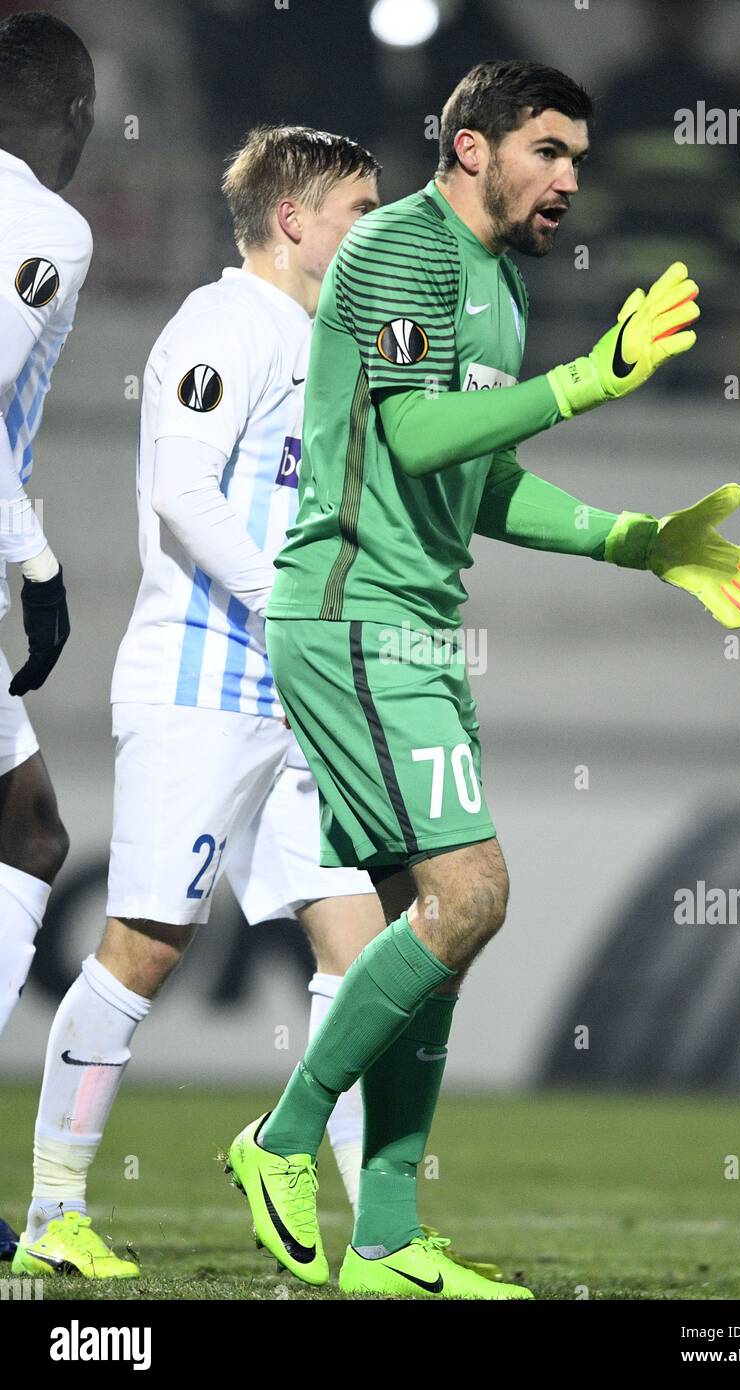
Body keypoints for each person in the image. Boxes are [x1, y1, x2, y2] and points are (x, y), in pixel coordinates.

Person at [224, 59, 740, 1300]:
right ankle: (276, 1139)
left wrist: (636, 542)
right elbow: (415, 434)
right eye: (548, 150)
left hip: (417, 622)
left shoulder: (493, 286)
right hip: (349, 614)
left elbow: (475, 483)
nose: (570, 178)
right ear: (471, 148)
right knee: (472, 894)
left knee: (439, 928)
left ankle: (380, 1240)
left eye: (577, 156)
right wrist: (592, 378)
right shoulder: (394, 252)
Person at [12, 125, 389, 1280]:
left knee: (362, 955)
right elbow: (181, 490)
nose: (376, 228)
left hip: (295, 694)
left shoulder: (327, 338)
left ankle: (378, 1232)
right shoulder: (222, 325)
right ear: (293, 218)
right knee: (141, 949)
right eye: (359, 208)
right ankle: (54, 1212)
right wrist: (292, 603)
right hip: (199, 680)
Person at [0, 10, 94, 1045]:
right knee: (25, 837)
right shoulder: (42, 225)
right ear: (74, 118)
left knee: (28, 832)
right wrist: (37, 561)